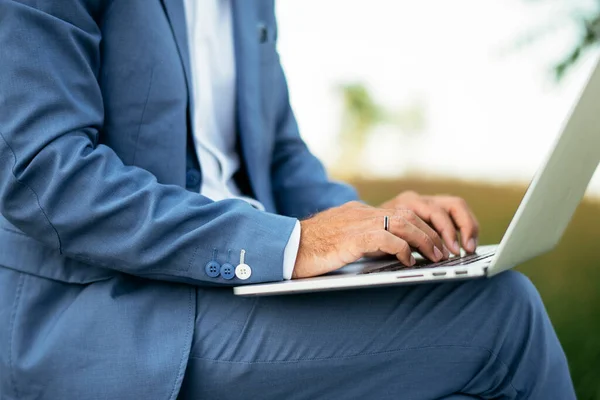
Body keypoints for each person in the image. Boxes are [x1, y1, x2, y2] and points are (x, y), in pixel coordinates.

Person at [0, 0, 575, 399]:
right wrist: (296, 243)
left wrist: (381, 229)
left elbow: (280, 159)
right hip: (114, 309)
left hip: (243, 290)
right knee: (503, 316)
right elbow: (45, 175)